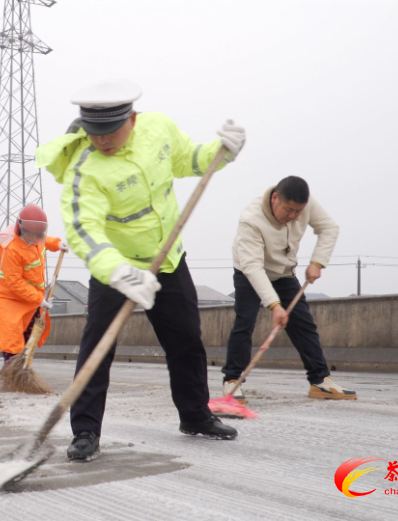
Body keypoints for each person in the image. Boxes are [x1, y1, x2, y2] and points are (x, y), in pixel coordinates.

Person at [36, 79, 246, 461]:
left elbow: (189, 160)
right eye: (93, 132)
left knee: (186, 342)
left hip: (168, 260)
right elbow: (85, 232)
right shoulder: (84, 169)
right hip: (115, 269)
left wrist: (222, 151)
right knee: (98, 349)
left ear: (132, 118)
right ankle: (85, 431)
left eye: (110, 131)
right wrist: (119, 272)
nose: (102, 140)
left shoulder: (158, 129)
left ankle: (195, 416)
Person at [223, 176, 355, 401]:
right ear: (275, 198)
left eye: (298, 212)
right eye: (289, 210)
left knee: (304, 324)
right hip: (250, 272)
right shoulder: (251, 220)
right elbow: (253, 267)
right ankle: (232, 381)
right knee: (245, 322)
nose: (293, 216)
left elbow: (329, 228)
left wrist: (317, 262)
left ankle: (320, 381)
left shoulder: (307, 205)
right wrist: (274, 305)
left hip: (284, 273)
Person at [0, 204, 67, 364]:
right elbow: (14, 282)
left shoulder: (35, 236)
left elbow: (44, 242)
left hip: (29, 293)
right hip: (6, 294)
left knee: (31, 327)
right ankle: (11, 367)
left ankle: (23, 363)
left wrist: (57, 244)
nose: (36, 238)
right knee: (11, 333)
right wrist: (39, 299)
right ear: (22, 229)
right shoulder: (11, 248)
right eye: (33, 234)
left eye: (39, 234)